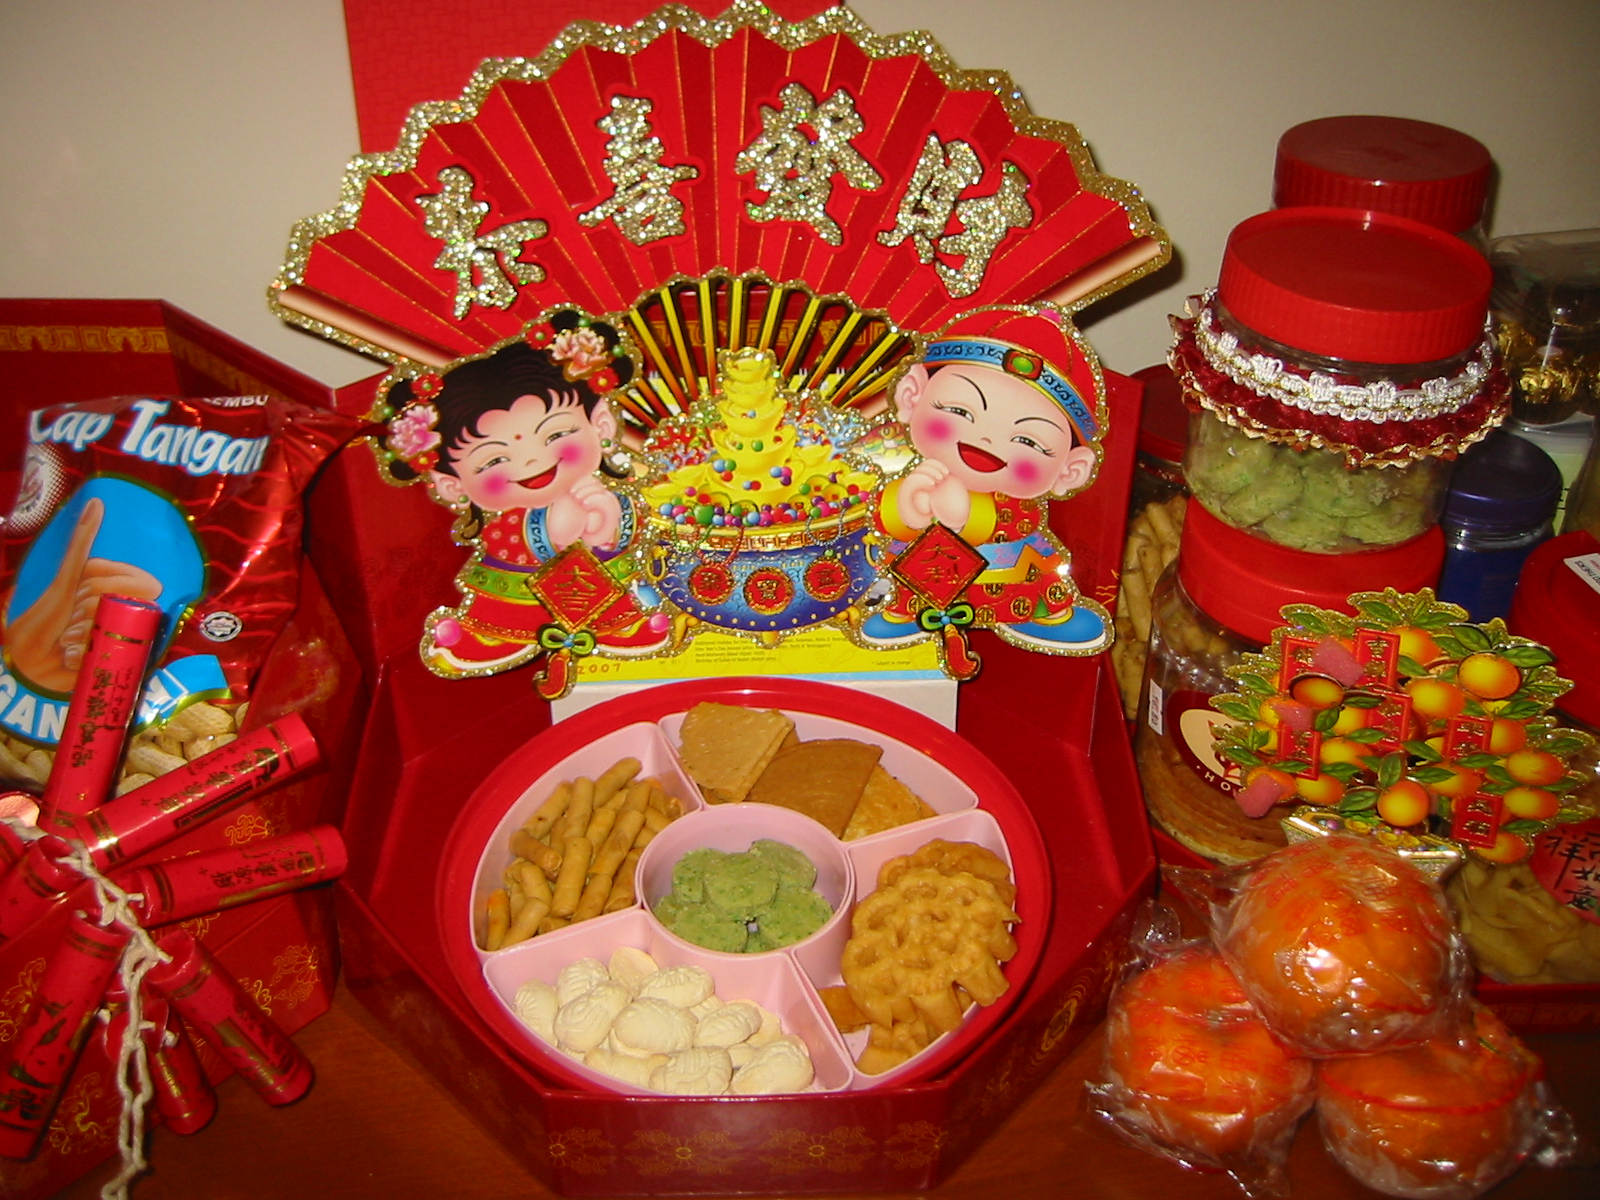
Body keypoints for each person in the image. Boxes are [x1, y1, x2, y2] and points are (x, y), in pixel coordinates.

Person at [383, 311, 668, 678]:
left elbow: (633, 528)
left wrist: (608, 518)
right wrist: (559, 524)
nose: (532, 460)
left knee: (624, 583)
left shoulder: (603, 487)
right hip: (519, 588)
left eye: (555, 435)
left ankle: (623, 625)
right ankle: (490, 636)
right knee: (507, 615)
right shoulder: (507, 523)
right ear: (452, 484)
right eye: (494, 460)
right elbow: (540, 535)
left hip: (605, 585)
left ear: (600, 424)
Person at [862, 304, 1112, 654]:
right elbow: (884, 519)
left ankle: (1045, 616)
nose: (987, 440)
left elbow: (1016, 522)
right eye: (959, 410)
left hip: (1008, 576)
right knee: (906, 564)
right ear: (912, 395)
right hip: (929, 572)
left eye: (1028, 441)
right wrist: (911, 505)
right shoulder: (918, 470)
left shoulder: (1016, 501)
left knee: (1033, 584)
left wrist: (965, 514)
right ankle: (905, 612)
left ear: (1070, 469)